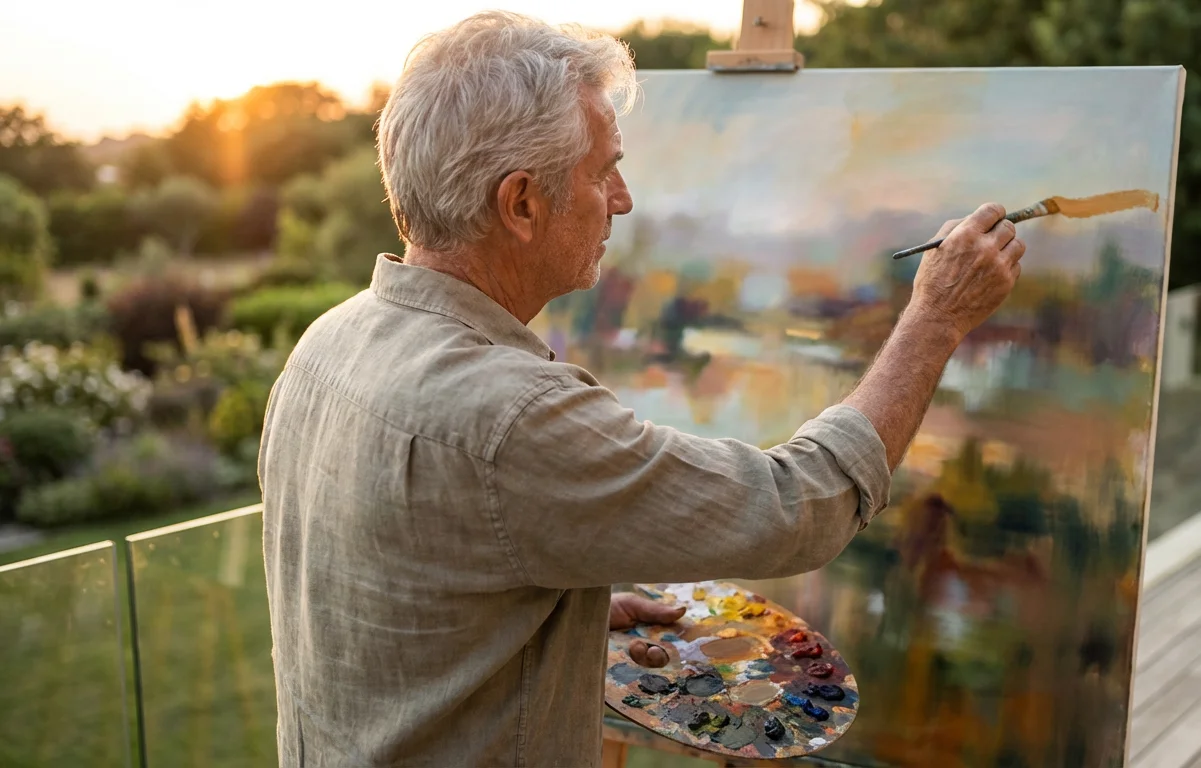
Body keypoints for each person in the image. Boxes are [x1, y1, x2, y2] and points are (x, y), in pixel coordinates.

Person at [257, 10, 1024, 768]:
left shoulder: (329, 343)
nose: (620, 199)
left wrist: (567, 610)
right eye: (601, 171)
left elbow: (401, 591)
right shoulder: (511, 417)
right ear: (520, 203)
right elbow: (796, 507)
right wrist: (934, 319)